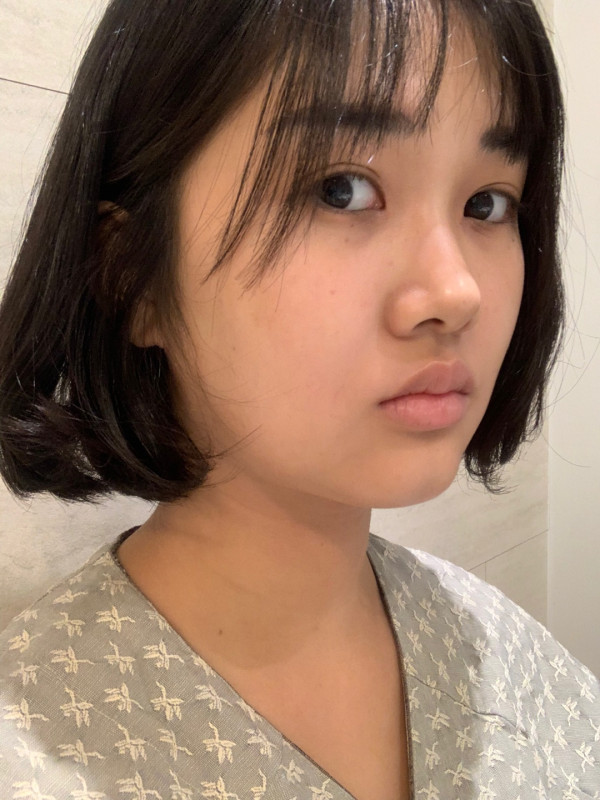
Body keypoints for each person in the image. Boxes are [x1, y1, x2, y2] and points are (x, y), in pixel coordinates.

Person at [0, 0, 597, 798]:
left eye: (486, 203)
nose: (457, 293)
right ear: (132, 272)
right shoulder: (31, 754)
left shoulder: (500, 647)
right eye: (341, 190)